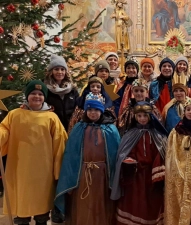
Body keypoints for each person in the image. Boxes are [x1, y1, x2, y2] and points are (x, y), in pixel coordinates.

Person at [0, 80, 67, 225]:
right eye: (33, 94)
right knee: (22, 202)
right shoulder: (14, 115)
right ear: (27, 96)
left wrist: (58, 170)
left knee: (41, 206)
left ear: (44, 97)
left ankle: (41, 220)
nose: (37, 97)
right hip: (20, 167)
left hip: (43, 170)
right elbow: (4, 130)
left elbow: (60, 143)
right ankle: (22, 220)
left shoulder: (51, 117)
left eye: (40, 94)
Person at [55, 92, 120, 225]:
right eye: (89, 109)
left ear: (101, 111)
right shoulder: (78, 128)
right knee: (83, 203)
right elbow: (71, 155)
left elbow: (115, 155)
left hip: (103, 175)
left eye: (96, 109)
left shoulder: (110, 129)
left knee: (101, 202)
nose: (93, 112)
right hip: (82, 173)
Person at [111, 101, 167, 225]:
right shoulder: (130, 134)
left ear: (150, 116)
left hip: (151, 177)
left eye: (145, 116)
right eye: (139, 116)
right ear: (135, 117)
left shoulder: (158, 135)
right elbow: (124, 153)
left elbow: (161, 154)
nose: (142, 119)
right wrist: (129, 161)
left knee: (152, 202)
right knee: (134, 201)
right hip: (134, 177)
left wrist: (157, 168)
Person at [44, 54, 79, 132]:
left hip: (71, 129)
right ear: (51, 71)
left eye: (62, 69)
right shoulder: (46, 89)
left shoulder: (72, 89)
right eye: (56, 69)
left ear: (65, 72)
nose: (60, 72)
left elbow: (78, 109)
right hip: (53, 129)